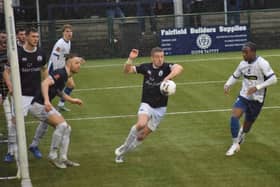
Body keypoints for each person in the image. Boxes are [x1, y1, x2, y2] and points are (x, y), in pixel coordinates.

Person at [114, 47, 183, 163]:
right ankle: (124, 146)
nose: (160, 59)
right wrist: (130, 59)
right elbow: (127, 70)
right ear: (152, 58)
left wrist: (167, 78)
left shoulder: (167, 67)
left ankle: (122, 153)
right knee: (141, 123)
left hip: (160, 109)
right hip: (147, 104)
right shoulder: (146, 67)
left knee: (141, 136)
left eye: (162, 56)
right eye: (157, 57)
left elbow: (179, 68)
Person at [29, 54, 84, 169]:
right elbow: (45, 83)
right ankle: (52, 156)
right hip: (38, 105)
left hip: (42, 104)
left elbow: (58, 91)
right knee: (62, 125)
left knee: (67, 128)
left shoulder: (65, 75)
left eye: (79, 63)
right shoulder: (61, 73)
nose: (79, 66)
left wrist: (72, 100)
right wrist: (47, 101)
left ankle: (63, 158)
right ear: (69, 63)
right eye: (76, 63)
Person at [224, 42, 277, 156]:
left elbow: (273, 79)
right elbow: (235, 75)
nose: (243, 54)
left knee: (247, 125)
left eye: (246, 52)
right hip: (244, 96)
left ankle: (242, 134)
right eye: (242, 52)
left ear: (253, 52)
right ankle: (234, 143)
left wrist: (257, 87)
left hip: (257, 99)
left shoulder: (262, 63)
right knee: (234, 117)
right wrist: (228, 84)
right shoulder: (242, 64)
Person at [3, 27, 48, 162]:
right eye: (33, 37)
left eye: (37, 37)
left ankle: (34, 145)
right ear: (26, 37)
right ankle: (11, 152)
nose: (36, 39)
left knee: (47, 119)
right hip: (21, 95)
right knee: (15, 123)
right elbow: (6, 72)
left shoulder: (41, 53)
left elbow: (44, 70)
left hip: (36, 96)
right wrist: (10, 86)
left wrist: (46, 87)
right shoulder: (17, 53)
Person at [48, 24, 74, 112]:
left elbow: (65, 56)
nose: (69, 33)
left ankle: (61, 105)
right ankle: (45, 105)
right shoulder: (60, 43)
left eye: (70, 31)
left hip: (62, 68)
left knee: (71, 85)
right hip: (55, 69)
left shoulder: (69, 42)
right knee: (51, 89)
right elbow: (54, 57)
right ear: (63, 33)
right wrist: (55, 71)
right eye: (67, 31)